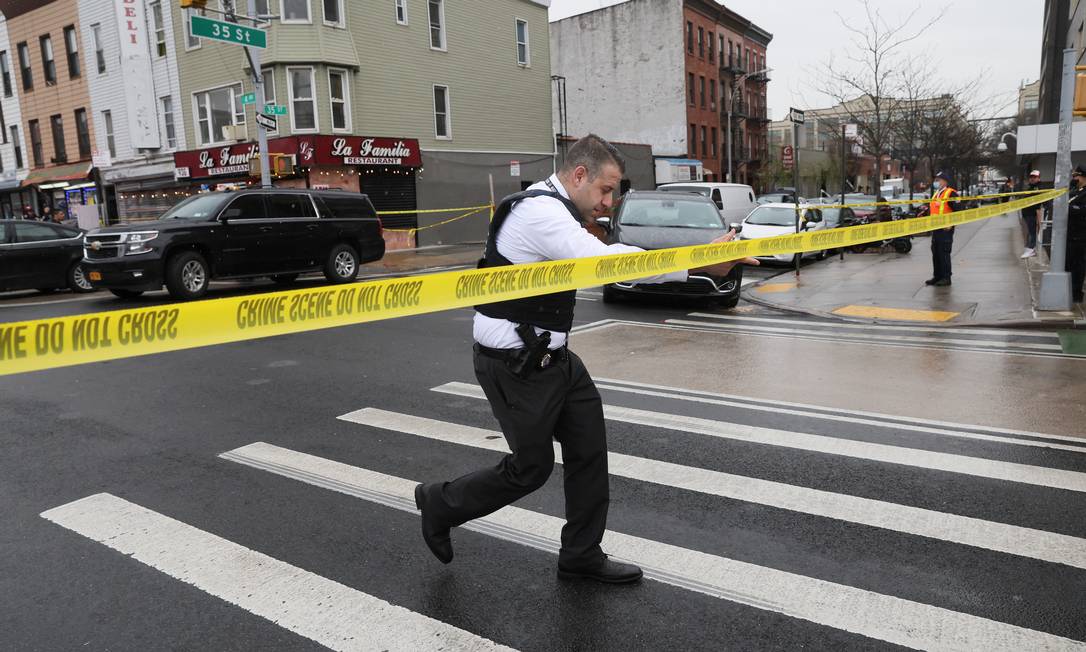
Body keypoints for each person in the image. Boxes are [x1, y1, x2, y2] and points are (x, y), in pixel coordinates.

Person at [413, 135, 757, 584]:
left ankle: (581, 554)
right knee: (529, 470)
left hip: (553, 358)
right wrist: (699, 261)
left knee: (589, 452)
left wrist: (703, 256)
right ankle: (440, 503)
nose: (609, 203)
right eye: (604, 190)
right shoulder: (539, 212)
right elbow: (605, 263)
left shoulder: (557, 210)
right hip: (516, 362)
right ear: (579, 176)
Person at [925, 171, 958, 287]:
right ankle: (937, 276)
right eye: (936, 180)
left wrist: (952, 224)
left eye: (938, 180)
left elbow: (959, 211)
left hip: (945, 230)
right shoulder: (936, 194)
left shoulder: (951, 194)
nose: (936, 182)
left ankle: (946, 277)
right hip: (936, 229)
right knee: (936, 253)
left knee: (944, 253)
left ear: (945, 181)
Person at [1068, 166, 1086, 303]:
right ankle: (1070, 291)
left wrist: (1067, 208)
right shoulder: (1074, 191)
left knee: (1078, 267)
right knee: (1069, 265)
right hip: (1071, 235)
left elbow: (1081, 211)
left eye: (1077, 176)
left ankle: (1077, 294)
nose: (1074, 179)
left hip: (1080, 236)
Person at [1020, 170, 1043, 258]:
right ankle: (1029, 248)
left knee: (1032, 232)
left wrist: (1039, 218)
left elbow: (1038, 204)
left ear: (1039, 178)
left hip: (1032, 214)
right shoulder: (1031, 187)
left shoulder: (1038, 188)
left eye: (1035, 177)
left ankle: (1031, 249)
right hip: (1027, 213)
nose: (1032, 179)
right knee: (1029, 232)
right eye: (1031, 177)